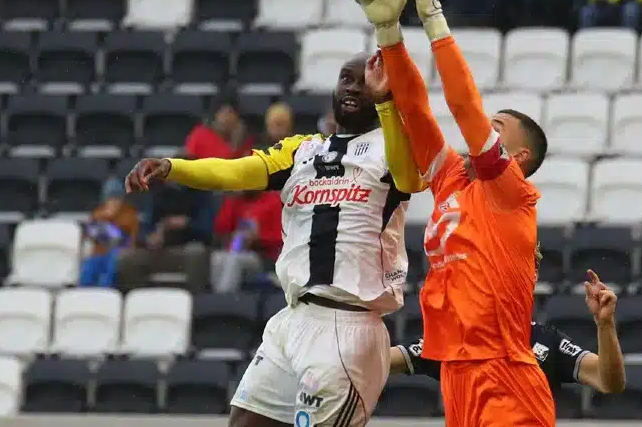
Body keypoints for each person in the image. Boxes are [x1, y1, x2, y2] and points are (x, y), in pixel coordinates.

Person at [124, 51, 425, 427]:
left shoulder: (394, 148)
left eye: (364, 81)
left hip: (348, 326)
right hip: (292, 320)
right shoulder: (301, 150)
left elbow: (410, 177)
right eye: (345, 79)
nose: (352, 87)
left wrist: (386, 102)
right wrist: (173, 167)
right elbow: (235, 172)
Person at [348, 0, 554, 424]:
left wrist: (432, 15)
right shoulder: (452, 180)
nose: (484, 128)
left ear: (517, 156)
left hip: (505, 375)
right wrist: (389, 32)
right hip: (456, 371)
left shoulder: (510, 191)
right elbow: (417, 111)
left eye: (496, 125)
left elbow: (463, 106)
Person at [391, 272, 625, 395]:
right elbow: (385, 360)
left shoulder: (547, 340)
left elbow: (610, 382)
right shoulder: (455, 338)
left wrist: (605, 324)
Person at [211, 190, 284, 293]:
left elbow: (281, 238)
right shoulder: (237, 201)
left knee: (233, 260)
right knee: (217, 258)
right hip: (237, 251)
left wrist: (258, 239)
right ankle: (215, 297)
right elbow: (220, 229)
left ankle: (223, 301)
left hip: (263, 257)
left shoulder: (274, 200)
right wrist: (230, 201)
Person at [80, 186, 139, 287]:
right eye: (111, 199)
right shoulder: (98, 212)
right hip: (99, 252)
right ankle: (83, 292)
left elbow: (131, 237)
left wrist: (111, 216)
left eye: (117, 198)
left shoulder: (129, 213)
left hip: (120, 253)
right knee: (88, 266)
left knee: (111, 263)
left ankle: (106, 292)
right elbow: (88, 233)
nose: (114, 202)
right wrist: (105, 215)